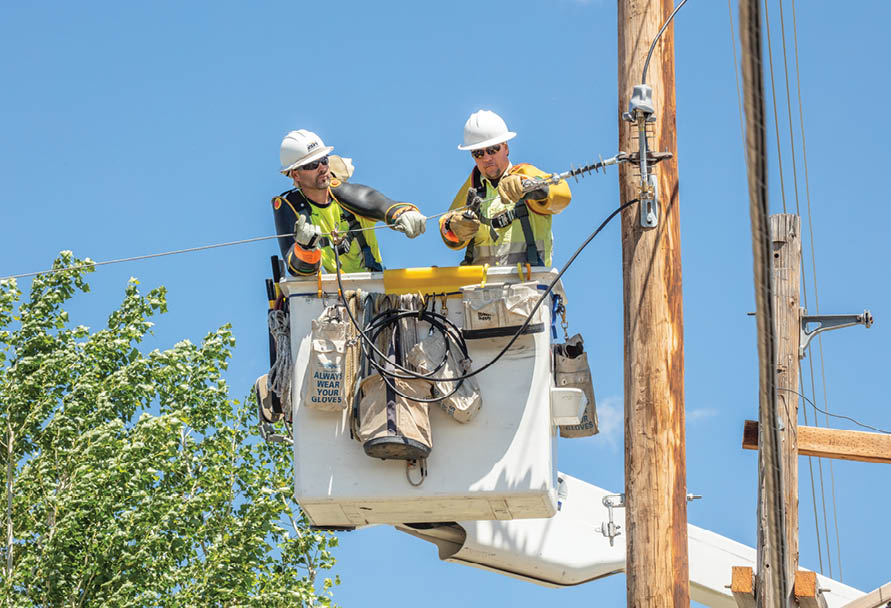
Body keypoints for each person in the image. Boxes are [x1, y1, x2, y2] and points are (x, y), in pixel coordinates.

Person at [272, 129, 426, 276]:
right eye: (312, 165)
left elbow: (376, 202)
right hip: (326, 297)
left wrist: (403, 213)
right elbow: (295, 266)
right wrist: (305, 248)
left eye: (324, 160)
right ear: (296, 175)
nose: (322, 168)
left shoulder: (345, 196)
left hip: (373, 289)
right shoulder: (293, 209)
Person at [439, 110, 571, 267]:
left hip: (529, 285)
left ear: (506, 148)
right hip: (480, 288)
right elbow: (448, 229)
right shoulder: (472, 188)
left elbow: (562, 195)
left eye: (493, 149)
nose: (487, 158)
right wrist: (454, 226)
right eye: (478, 153)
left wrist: (529, 186)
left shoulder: (524, 174)